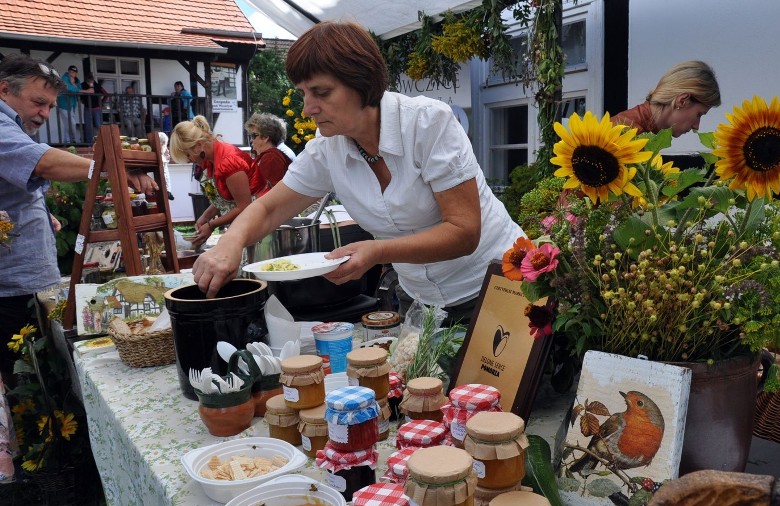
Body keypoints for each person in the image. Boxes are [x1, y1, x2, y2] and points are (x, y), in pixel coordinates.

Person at [191, 21, 526, 324]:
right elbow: (268, 207)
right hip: (423, 301)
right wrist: (230, 242)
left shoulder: (427, 123)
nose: (308, 108)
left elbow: (464, 231)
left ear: (362, 83)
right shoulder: (328, 148)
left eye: (321, 92)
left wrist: (378, 250)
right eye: (304, 94)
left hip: (499, 286)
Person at [0, 55, 157, 492]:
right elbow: (45, 164)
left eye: (50, 107)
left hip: (28, 274)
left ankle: (49, 459)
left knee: (38, 370)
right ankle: (44, 467)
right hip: (12, 284)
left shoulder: (11, 126)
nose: (44, 114)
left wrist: (41, 212)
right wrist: (111, 167)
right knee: (27, 375)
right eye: (38, 103)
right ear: (4, 91)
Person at [169, 116, 267, 249]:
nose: (188, 160)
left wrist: (211, 225)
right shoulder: (211, 160)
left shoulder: (229, 162)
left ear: (198, 145)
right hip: (247, 222)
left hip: (259, 222)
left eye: (187, 155)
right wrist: (206, 216)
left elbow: (244, 206)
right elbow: (226, 196)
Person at [612, 60, 721, 137]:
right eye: (699, 115)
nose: (696, 126)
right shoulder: (625, 134)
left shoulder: (646, 131)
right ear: (682, 101)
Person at [245, 112, 292, 193]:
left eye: (253, 135)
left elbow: (266, 192)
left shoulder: (271, 158)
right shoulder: (269, 156)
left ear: (265, 137)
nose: (251, 140)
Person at [80, 73, 107, 144]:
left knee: (99, 125)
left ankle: (102, 142)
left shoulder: (97, 85)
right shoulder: (82, 85)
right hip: (87, 108)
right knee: (88, 126)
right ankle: (89, 143)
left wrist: (101, 102)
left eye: (91, 81)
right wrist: (83, 101)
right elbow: (80, 95)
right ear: (86, 80)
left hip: (97, 108)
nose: (90, 82)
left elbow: (106, 94)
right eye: (88, 81)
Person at [56, 64, 80, 144]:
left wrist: (75, 87)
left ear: (76, 73)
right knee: (72, 123)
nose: (72, 73)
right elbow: (68, 88)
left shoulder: (77, 80)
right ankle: (74, 138)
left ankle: (67, 142)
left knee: (67, 125)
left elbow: (79, 90)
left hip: (72, 105)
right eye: (70, 72)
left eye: (74, 72)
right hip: (64, 105)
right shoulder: (64, 78)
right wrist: (75, 88)